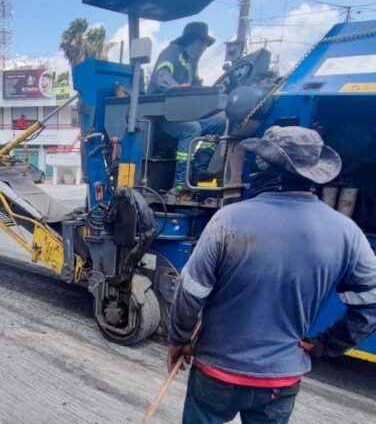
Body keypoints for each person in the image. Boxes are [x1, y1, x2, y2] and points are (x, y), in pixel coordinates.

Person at [167, 126, 376, 423]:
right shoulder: (347, 233)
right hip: (280, 380)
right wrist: (326, 344)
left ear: (267, 169)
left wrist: (179, 339)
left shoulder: (227, 220)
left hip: (216, 372)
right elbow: (371, 304)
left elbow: (190, 291)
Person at [148, 22, 226, 193]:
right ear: (193, 41)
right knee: (191, 129)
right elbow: (162, 79)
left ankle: (198, 170)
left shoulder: (191, 63)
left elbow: (195, 88)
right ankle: (181, 184)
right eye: (202, 45)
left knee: (218, 124)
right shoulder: (172, 52)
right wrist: (177, 88)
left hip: (181, 114)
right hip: (161, 116)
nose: (203, 49)